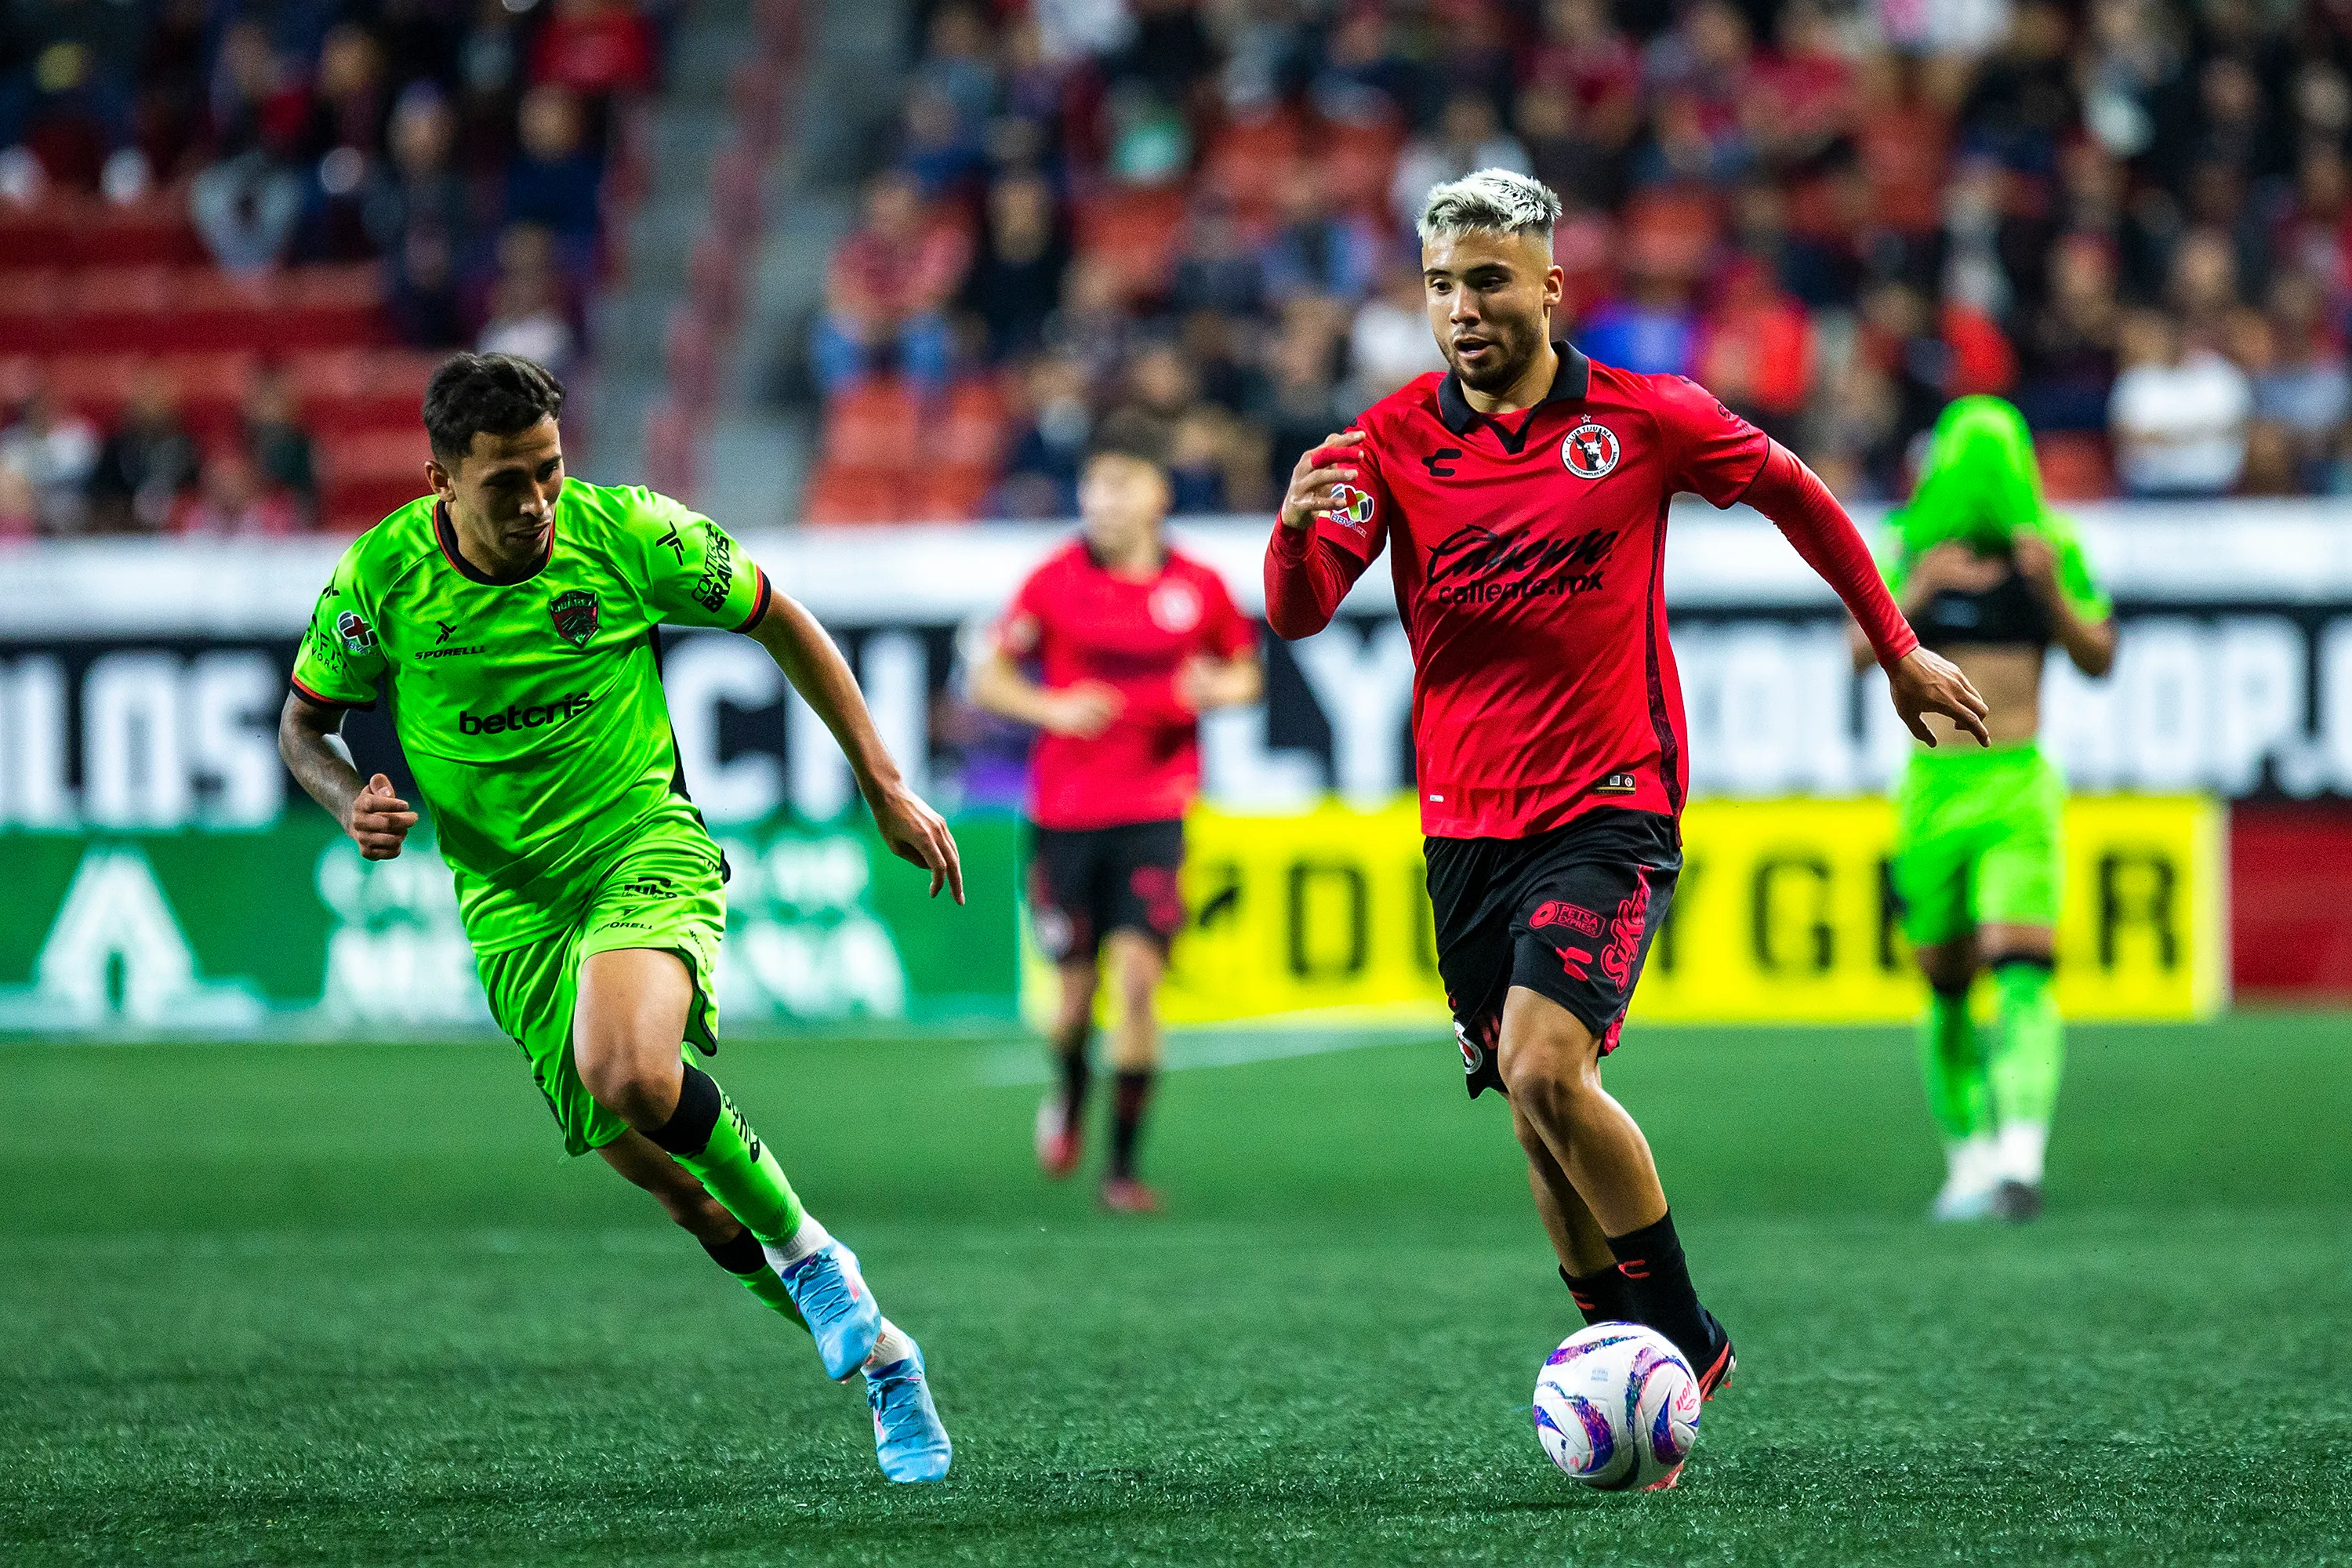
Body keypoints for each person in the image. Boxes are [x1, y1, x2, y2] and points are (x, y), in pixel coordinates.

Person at [1262, 170, 1987, 1486]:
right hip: (1462, 829)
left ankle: (1683, 1337)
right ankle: (1635, 1382)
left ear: (1549, 285)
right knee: (1533, 1115)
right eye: (1440, 286)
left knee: (1548, 1067)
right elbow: (1303, 610)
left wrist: (1894, 646)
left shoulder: (1646, 419)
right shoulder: (1383, 445)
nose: (1463, 308)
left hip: (1610, 800)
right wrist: (1291, 539)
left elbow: (1799, 497)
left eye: (1488, 280)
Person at [276, 354, 960, 1483]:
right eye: (504, 483)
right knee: (685, 1194)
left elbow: (780, 616)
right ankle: (886, 1358)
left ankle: (814, 1258)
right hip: (512, 913)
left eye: (547, 470)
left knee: (631, 1069)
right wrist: (354, 798)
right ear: (439, 478)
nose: (535, 502)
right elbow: (304, 728)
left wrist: (882, 783)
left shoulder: (631, 535)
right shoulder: (380, 580)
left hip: (642, 849)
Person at [969, 416, 1264, 1213]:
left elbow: (1246, 675)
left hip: (1155, 809)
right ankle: (1067, 1096)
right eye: (1095, 485)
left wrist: (1217, 689)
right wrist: (1053, 707)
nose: (1104, 500)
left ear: (1157, 494)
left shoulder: (1196, 587)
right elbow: (988, 678)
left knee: (1137, 985)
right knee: (1072, 997)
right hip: (1065, 813)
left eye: (1121, 484)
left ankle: (1122, 1168)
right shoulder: (1052, 581)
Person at [1862, 396, 2117, 1223]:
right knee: (1943, 983)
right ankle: (1969, 1156)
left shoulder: (2052, 550)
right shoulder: (1910, 548)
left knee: (2022, 969)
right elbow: (1856, 651)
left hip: (2017, 785)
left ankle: (2020, 1155)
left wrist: (2053, 594)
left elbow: (2100, 655)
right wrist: (1917, 586)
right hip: (1933, 789)